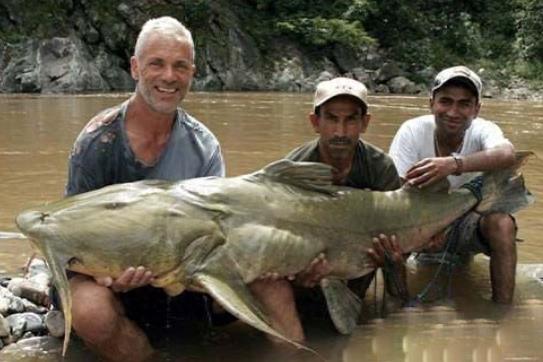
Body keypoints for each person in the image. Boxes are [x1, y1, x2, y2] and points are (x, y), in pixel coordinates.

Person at [65, 17, 225, 361]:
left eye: (180, 66)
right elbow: (70, 239)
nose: (169, 76)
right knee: (90, 311)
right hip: (107, 274)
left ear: (191, 73)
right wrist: (106, 275)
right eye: (157, 63)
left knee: (262, 284)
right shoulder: (97, 142)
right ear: (136, 68)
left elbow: (216, 232)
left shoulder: (205, 147)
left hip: (180, 271)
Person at [253, 77, 408, 340]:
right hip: (309, 258)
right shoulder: (293, 168)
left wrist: (396, 258)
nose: (341, 132)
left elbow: (402, 225)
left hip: (361, 254)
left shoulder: (380, 168)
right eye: (332, 119)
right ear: (316, 122)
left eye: (351, 120)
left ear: (364, 123)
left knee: (394, 268)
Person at [389, 65, 517, 304]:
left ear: (476, 109)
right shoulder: (411, 131)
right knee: (389, 237)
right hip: (420, 219)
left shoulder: (483, 130)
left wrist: (454, 164)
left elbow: (507, 154)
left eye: (464, 104)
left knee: (503, 224)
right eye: (445, 101)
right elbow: (397, 193)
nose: (453, 112)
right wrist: (429, 228)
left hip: (467, 219)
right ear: (431, 103)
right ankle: (398, 309)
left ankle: (502, 311)